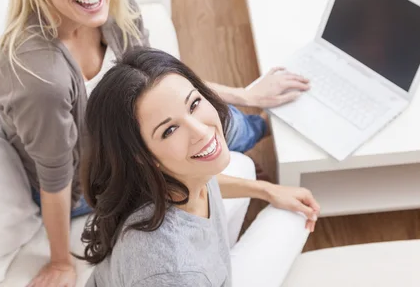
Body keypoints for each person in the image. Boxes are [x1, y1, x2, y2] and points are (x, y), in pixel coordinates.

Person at [0, 0, 310, 286]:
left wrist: (247, 94)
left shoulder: (108, 5)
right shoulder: (41, 80)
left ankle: (255, 127)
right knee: (220, 140)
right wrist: (60, 261)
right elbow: (55, 178)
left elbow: (157, 85)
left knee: (228, 128)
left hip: (137, 133)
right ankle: (250, 134)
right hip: (86, 176)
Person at [80, 47, 320, 286]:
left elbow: (208, 182)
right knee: (296, 217)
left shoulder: (167, 178)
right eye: (169, 130)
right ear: (141, 155)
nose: (201, 131)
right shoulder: (172, 274)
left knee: (244, 165)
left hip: (201, 267)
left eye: (193, 104)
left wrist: (267, 190)